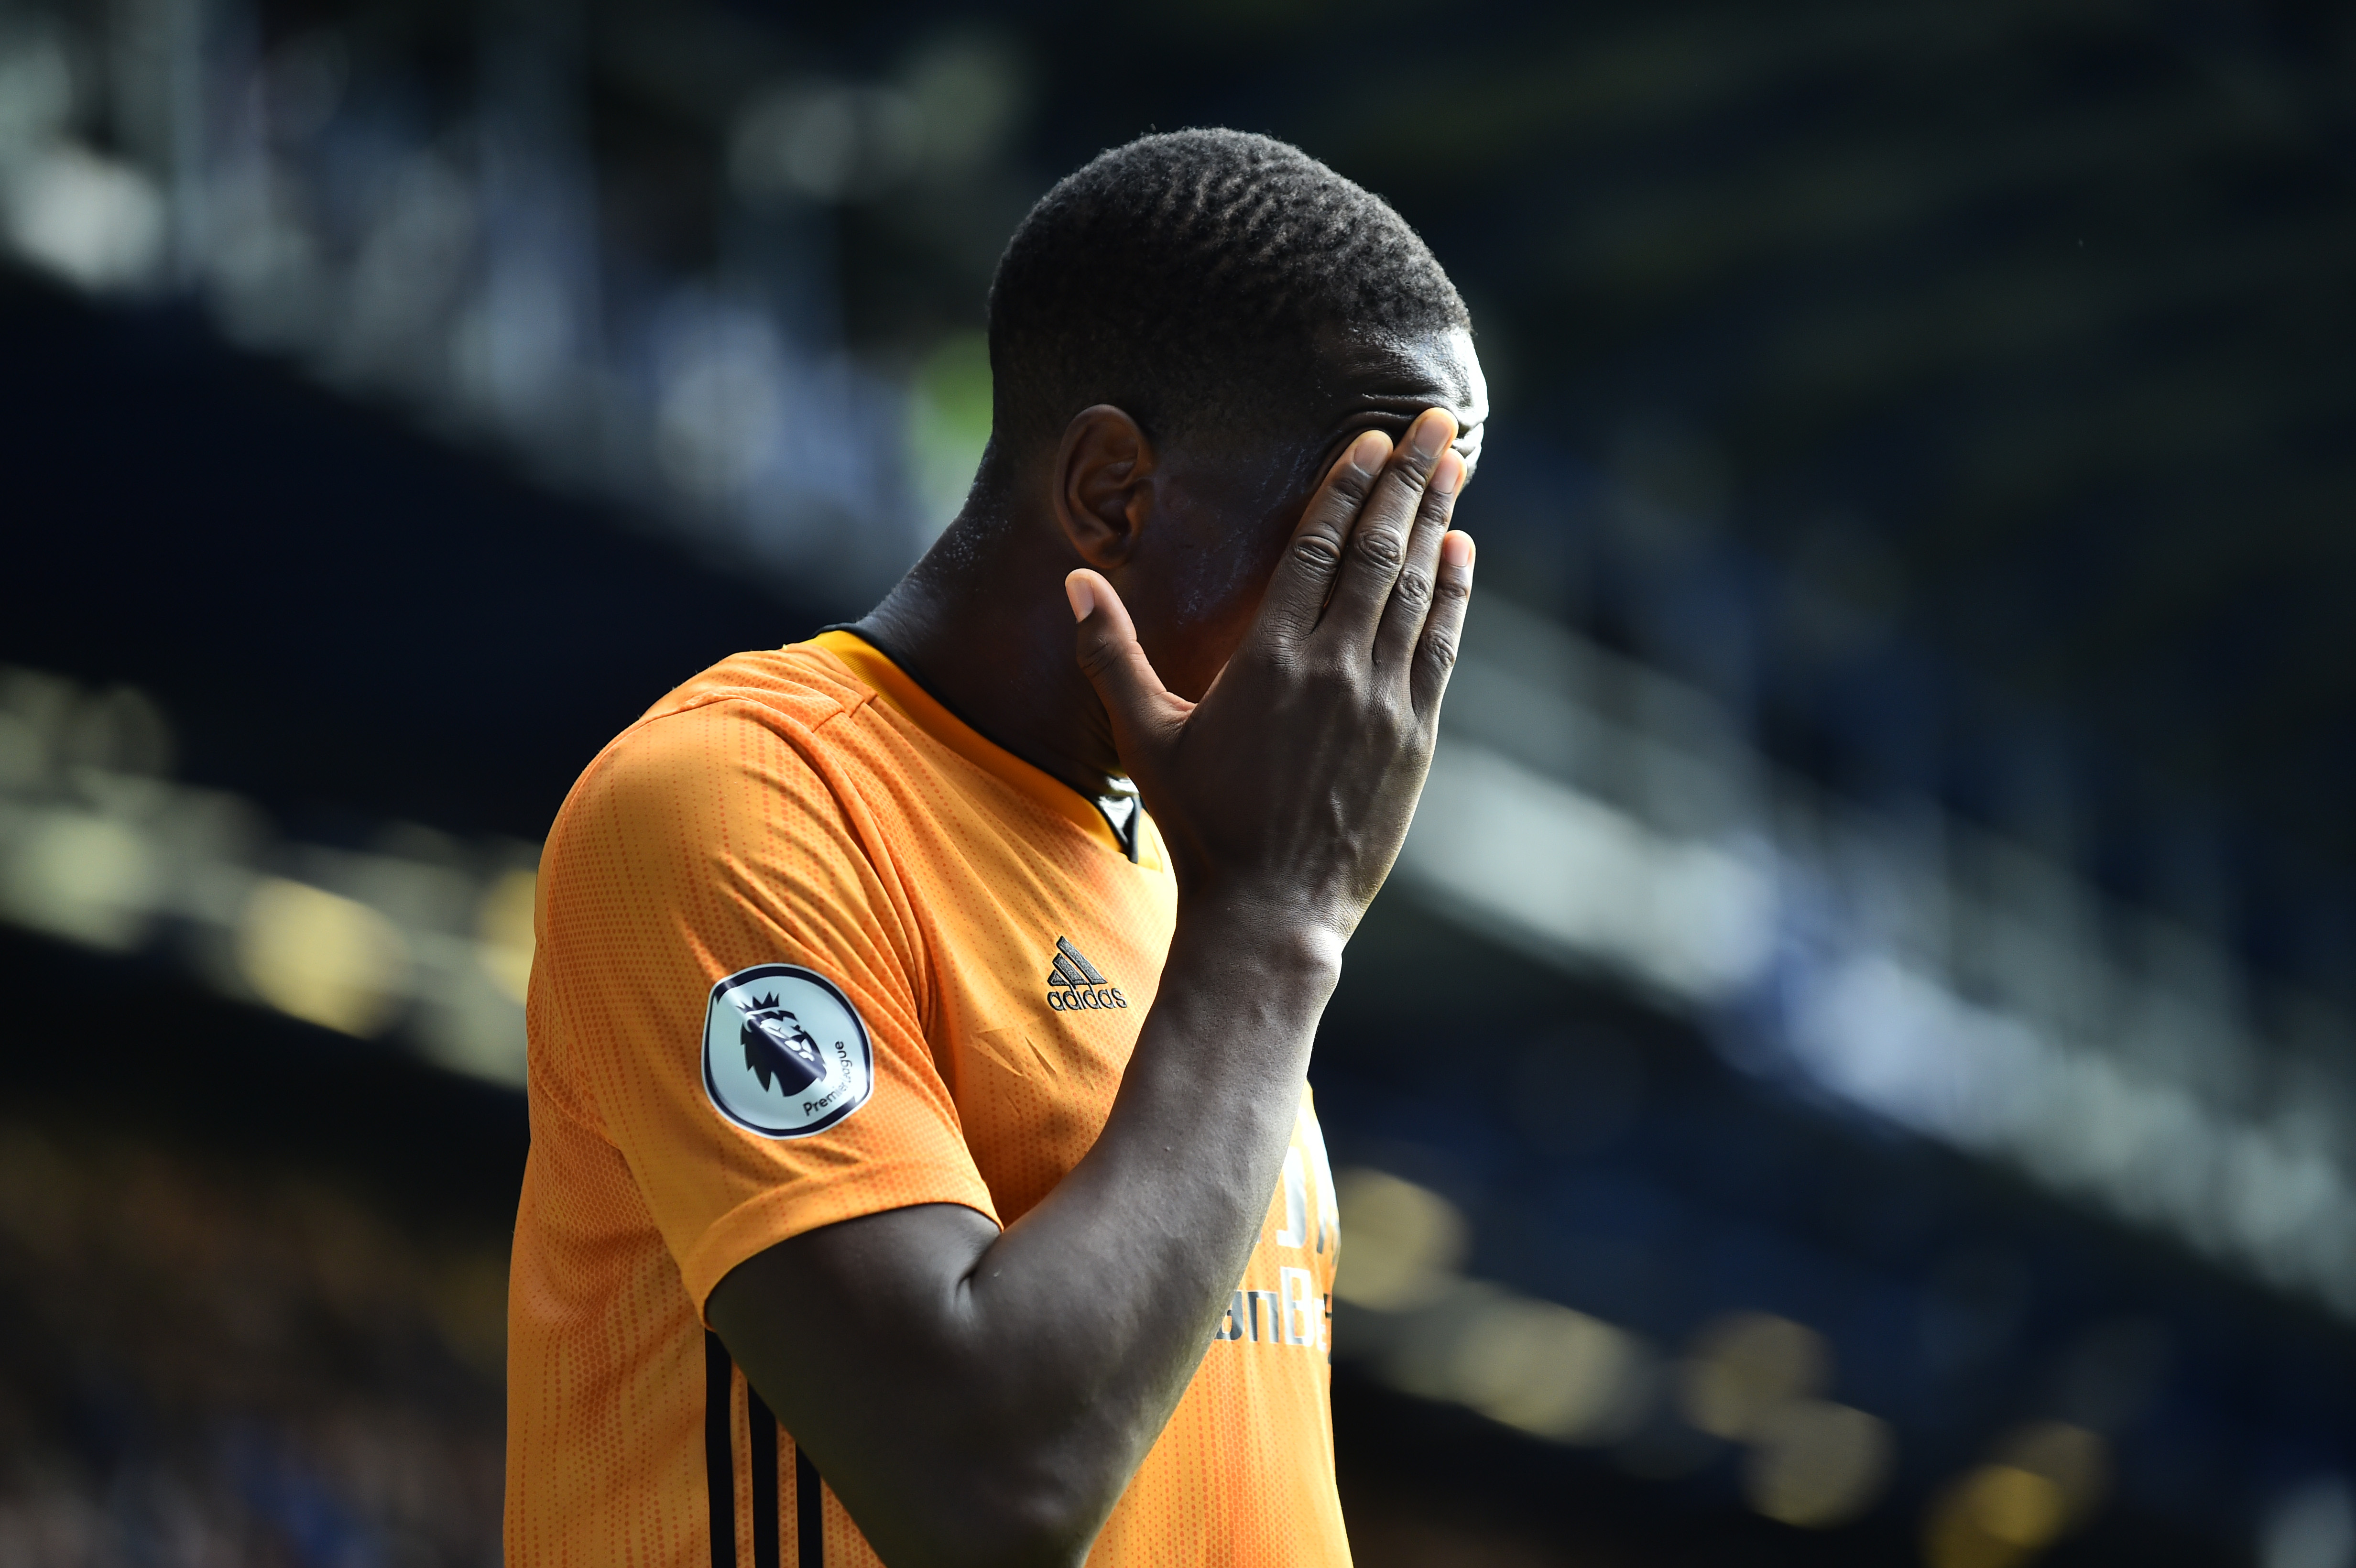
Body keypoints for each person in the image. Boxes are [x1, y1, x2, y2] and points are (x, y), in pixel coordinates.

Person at [506, 128, 1487, 1568]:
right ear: (1112, 493)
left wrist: (1263, 918)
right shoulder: (740, 801)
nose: (1392, 622)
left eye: (1436, 533)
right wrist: (1281, 926)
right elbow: (985, 1496)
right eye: (1354, 531)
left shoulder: (1191, 869)